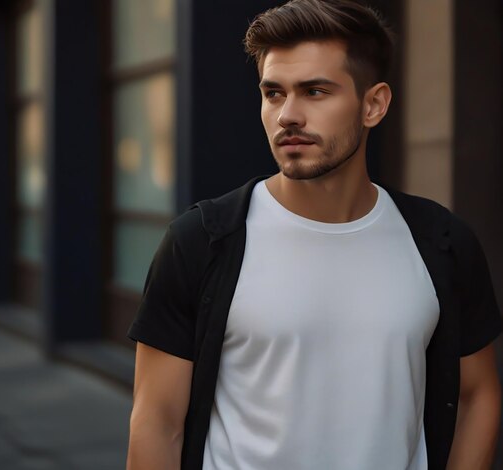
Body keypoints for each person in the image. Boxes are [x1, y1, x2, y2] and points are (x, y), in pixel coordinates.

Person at [126, 1, 502, 469]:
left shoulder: (441, 242)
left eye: (315, 91)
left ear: (374, 104)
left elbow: (478, 395)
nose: (287, 115)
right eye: (273, 93)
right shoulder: (201, 242)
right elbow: (158, 422)